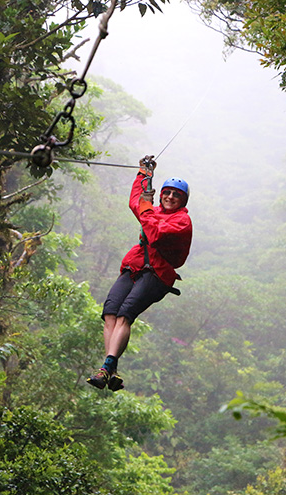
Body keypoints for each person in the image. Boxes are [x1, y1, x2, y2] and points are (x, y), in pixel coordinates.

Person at [87, 156, 193, 391]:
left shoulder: (182, 221)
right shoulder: (152, 210)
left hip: (158, 274)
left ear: (183, 201)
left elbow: (156, 232)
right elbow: (136, 201)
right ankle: (110, 369)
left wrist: (146, 207)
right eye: (167, 193)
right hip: (135, 264)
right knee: (110, 313)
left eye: (177, 195)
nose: (170, 197)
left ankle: (106, 366)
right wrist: (144, 174)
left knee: (126, 314)